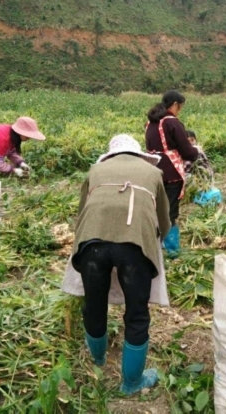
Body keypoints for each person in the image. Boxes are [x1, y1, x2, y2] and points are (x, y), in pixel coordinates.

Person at [71, 134, 171, 396]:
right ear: (138, 154)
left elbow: (82, 212)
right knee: (136, 314)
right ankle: (131, 383)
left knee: (94, 303)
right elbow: (164, 218)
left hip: (92, 243)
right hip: (135, 245)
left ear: (110, 156)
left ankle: (98, 362)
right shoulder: (153, 172)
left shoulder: (95, 170)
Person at [145, 90, 198, 258]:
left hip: (153, 170)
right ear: (175, 105)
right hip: (171, 172)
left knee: (155, 206)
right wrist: (194, 153)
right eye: (180, 107)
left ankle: (152, 244)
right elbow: (186, 150)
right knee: (170, 211)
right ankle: (172, 250)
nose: (179, 111)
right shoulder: (172, 122)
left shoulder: (150, 123)